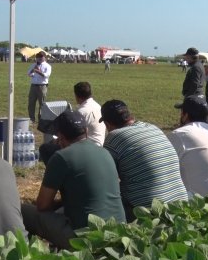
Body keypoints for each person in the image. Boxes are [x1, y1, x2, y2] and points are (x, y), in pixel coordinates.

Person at [22, 110, 125, 249]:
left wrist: (59, 203)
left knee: (23, 210)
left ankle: (29, 254)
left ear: (60, 137)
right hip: (119, 233)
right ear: (86, 132)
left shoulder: (61, 157)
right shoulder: (105, 152)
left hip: (84, 238)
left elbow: (43, 205)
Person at [101, 99, 188, 221]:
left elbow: (105, 177)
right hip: (181, 204)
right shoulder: (152, 127)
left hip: (152, 212)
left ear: (107, 124)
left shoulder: (114, 137)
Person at [74, 81, 106, 146]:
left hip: (89, 148)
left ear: (77, 96)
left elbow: (75, 136)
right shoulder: (98, 106)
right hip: (101, 144)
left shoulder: (81, 112)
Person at [27, 51, 52, 123]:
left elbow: (46, 75)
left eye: (41, 57)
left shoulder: (47, 66)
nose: (39, 58)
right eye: (37, 57)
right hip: (33, 86)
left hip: (42, 86)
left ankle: (41, 119)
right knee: (31, 103)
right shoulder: (33, 65)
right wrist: (33, 70)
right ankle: (31, 119)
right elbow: (29, 74)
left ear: (44, 57)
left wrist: (38, 71)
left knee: (42, 104)